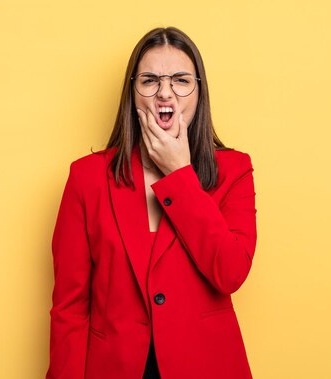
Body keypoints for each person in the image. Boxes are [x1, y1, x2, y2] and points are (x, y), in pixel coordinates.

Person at [46, 26, 257, 379]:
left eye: (180, 80)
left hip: (205, 366)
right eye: (150, 80)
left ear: (198, 92)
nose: (165, 94)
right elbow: (69, 308)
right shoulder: (87, 178)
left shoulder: (235, 171)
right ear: (133, 92)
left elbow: (231, 271)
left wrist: (179, 173)